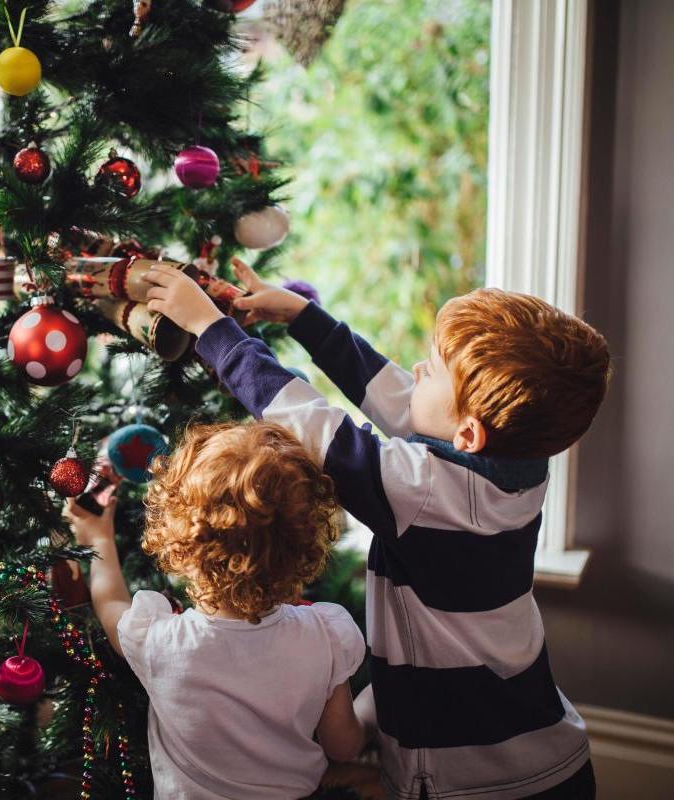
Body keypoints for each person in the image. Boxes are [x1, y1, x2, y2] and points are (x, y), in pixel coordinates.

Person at [141, 259, 610, 800]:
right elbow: (397, 398)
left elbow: (312, 425)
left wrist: (212, 331)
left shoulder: (426, 494)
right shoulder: (515, 467)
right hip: (547, 753)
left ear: (469, 432)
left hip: (479, 779)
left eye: (430, 370)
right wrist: (305, 318)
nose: (414, 369)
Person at [63, 420, 367, 800]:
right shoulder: (326, 636)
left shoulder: (160, 642)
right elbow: (343, 746)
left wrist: (98, 537)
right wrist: (371, 708)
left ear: (180, 546)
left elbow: (110, 602)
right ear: (304, 546)